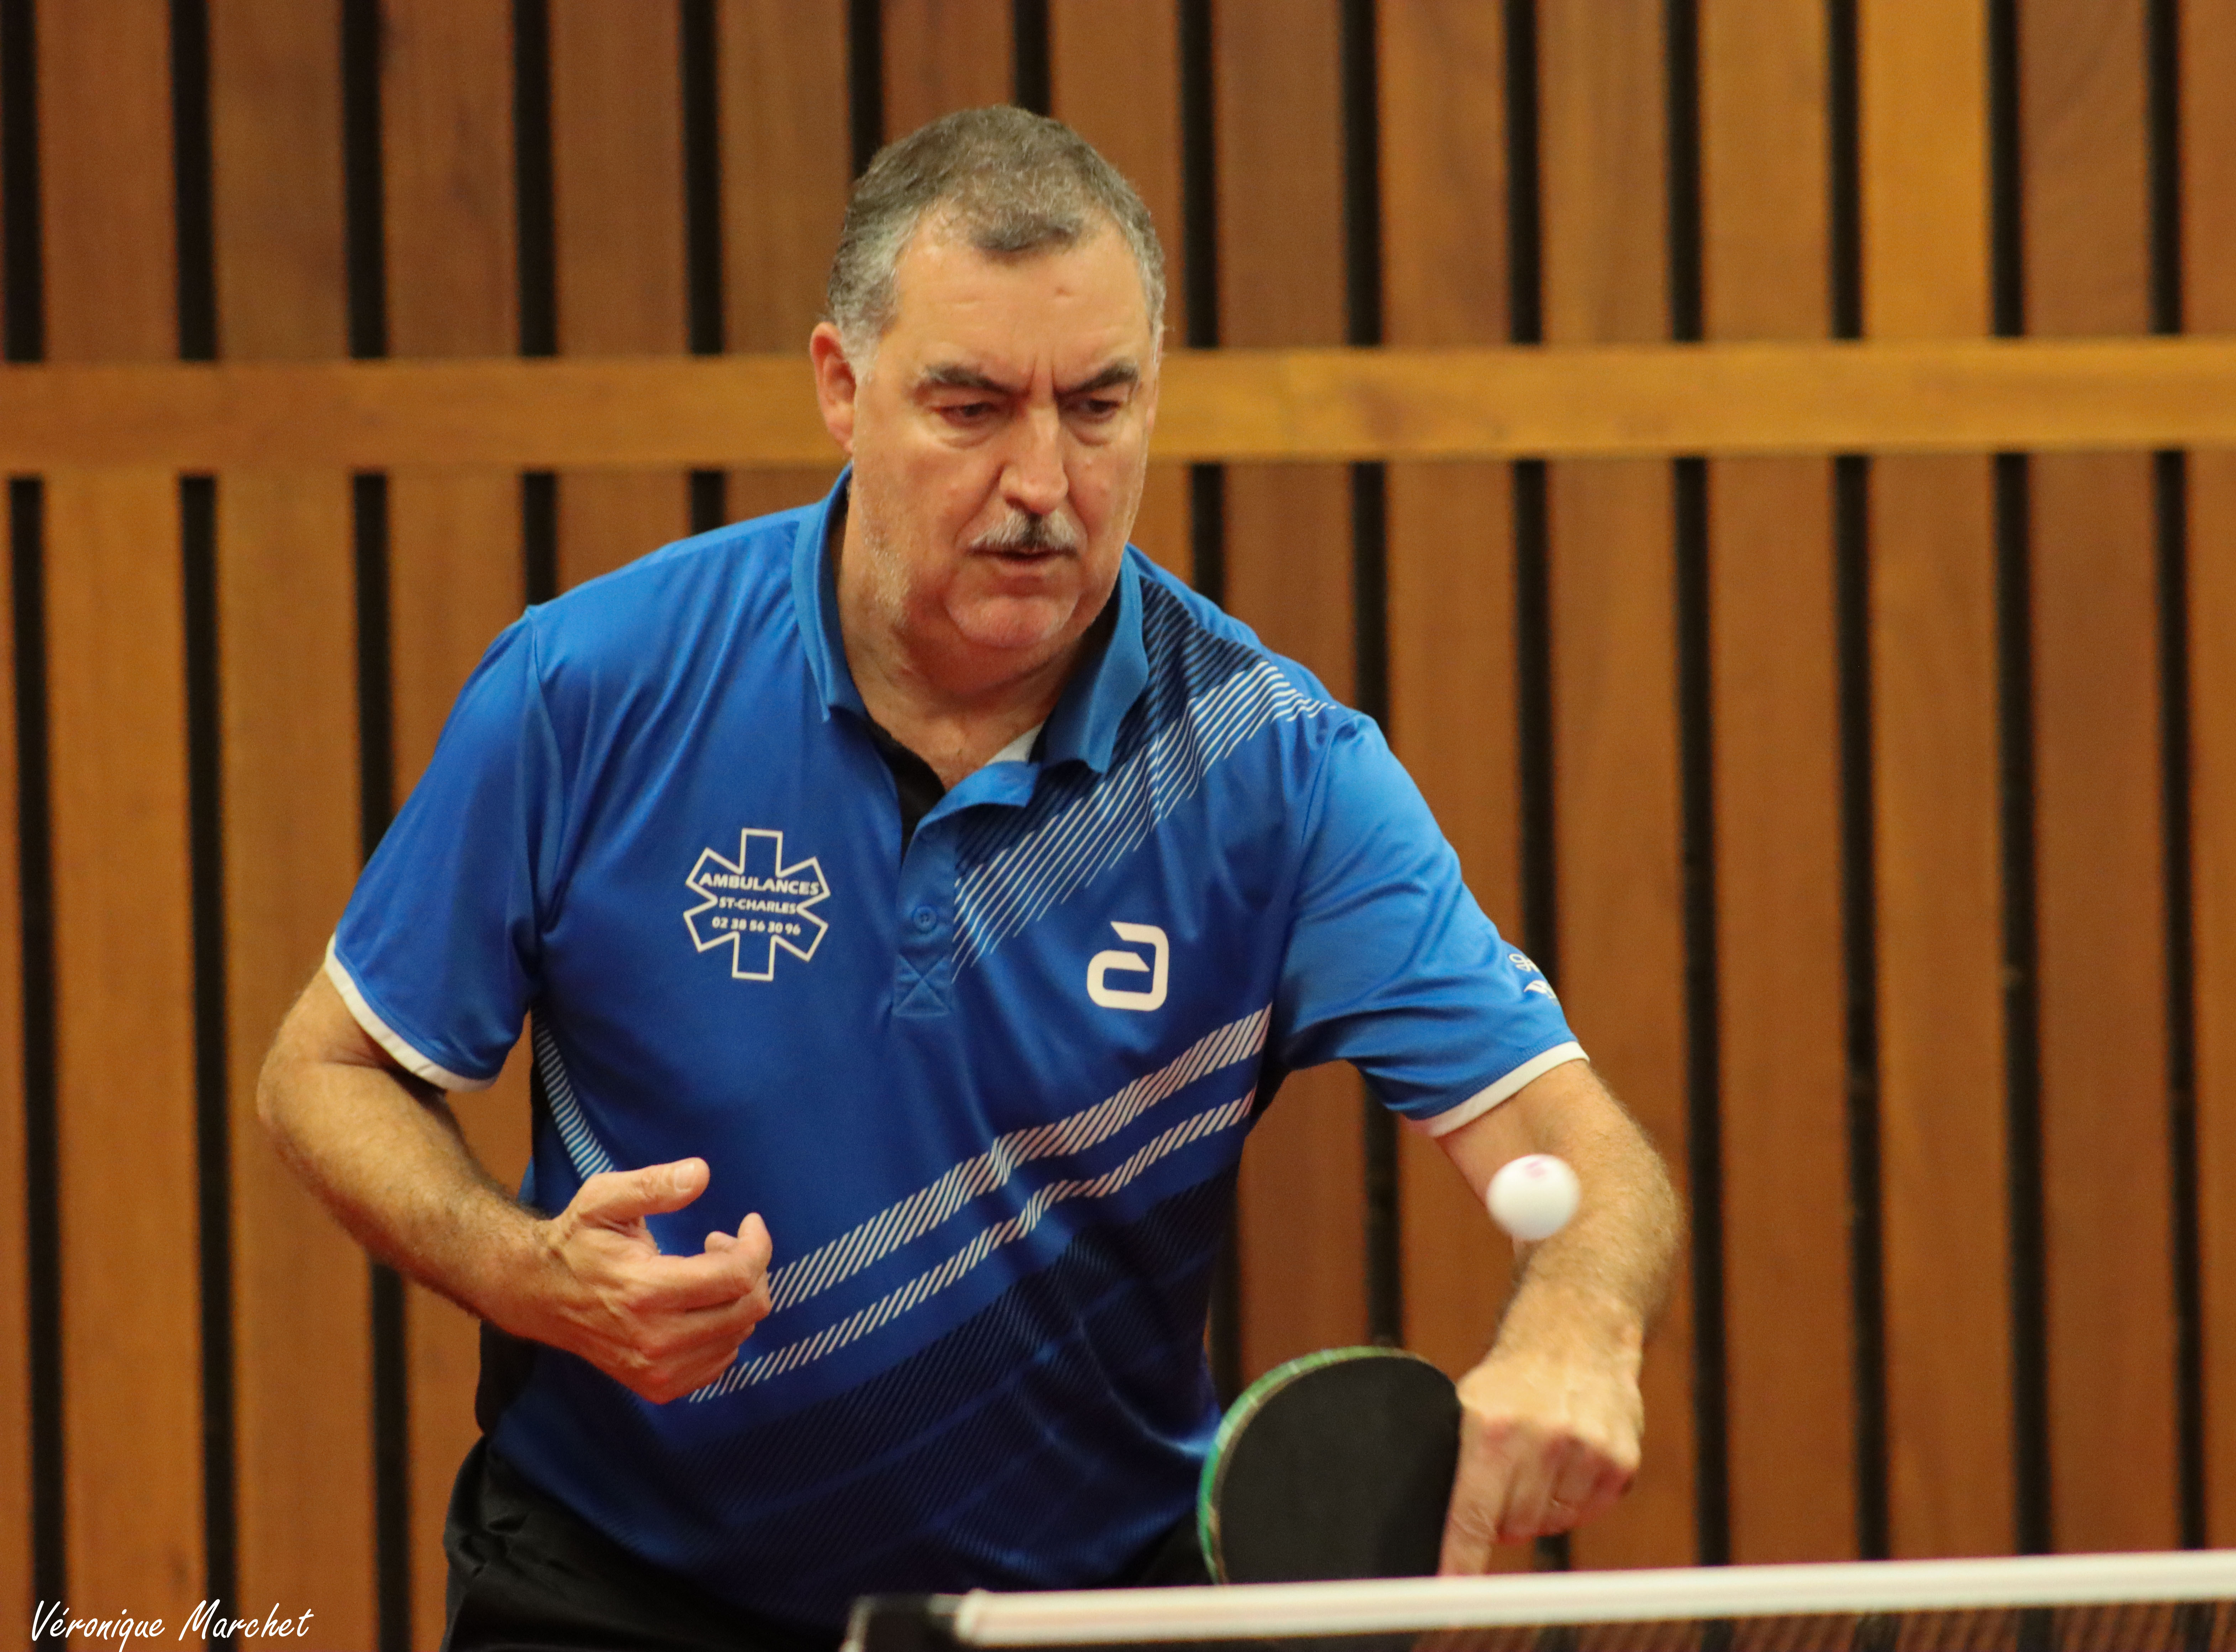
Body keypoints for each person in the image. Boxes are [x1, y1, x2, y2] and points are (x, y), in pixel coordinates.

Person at [258, 106, 1682, 1651]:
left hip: (1074, 1612)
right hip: (610, 1588)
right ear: (841, 386)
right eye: (973, 406)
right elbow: (326, 1072)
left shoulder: (1272, 773)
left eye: (1098, 405)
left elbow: (1584, 1151)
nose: (1043, 481)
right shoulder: (591, 687)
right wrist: (532, 1276)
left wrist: (1579, 1321)